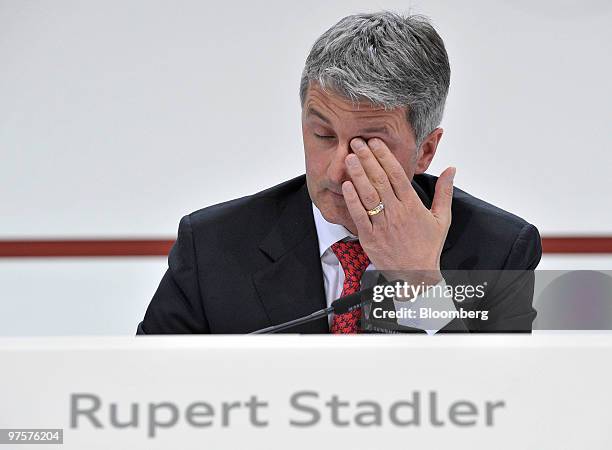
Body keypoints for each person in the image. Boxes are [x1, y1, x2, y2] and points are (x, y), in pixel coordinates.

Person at [137, 11, 541, 335]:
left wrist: (421, 284)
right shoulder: (213, 246)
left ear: (425, 151)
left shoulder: (500, 250)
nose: (336, 168)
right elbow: (143, 389)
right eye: (323, 134)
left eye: (367, 144)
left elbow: (501, 407)